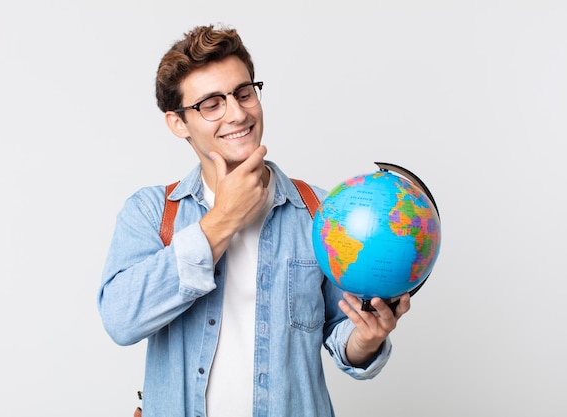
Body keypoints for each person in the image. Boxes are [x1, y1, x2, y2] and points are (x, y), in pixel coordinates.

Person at [98, 23, 411, 417]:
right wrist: (223, 219)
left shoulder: (319, 212)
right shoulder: (151, 212)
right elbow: (121, 319)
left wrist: (365, 342)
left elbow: (341, 330)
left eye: (244, 93)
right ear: (178, 123)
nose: (237, 112)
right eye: (211, 103)